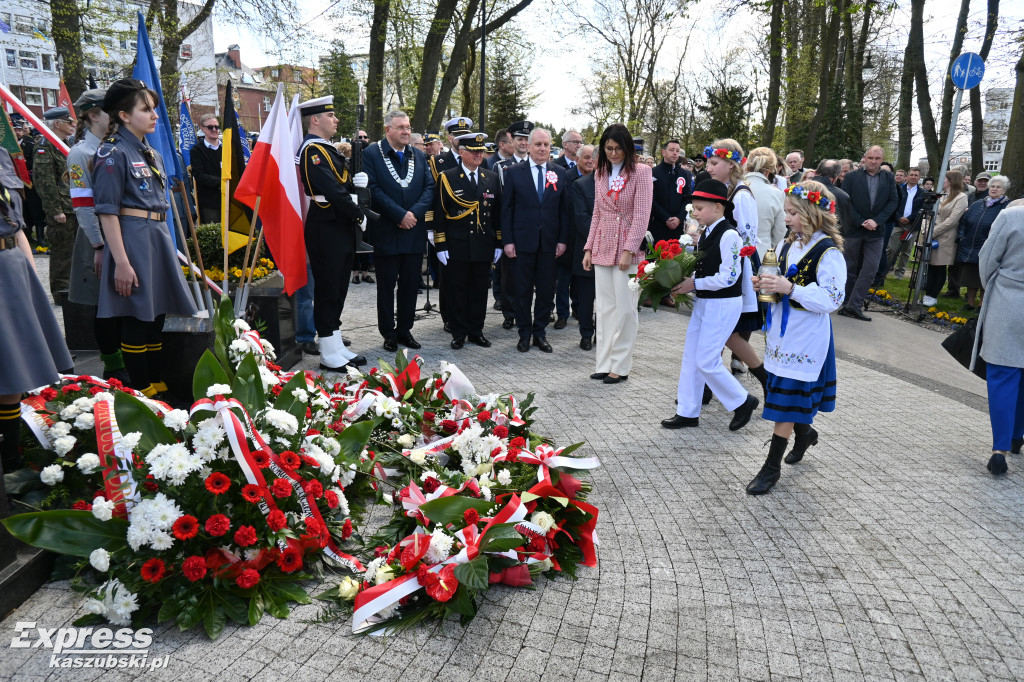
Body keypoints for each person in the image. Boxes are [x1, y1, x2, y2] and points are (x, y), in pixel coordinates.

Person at [91, 79, 198, 398]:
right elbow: (107, 212)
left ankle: (157, 381)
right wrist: (121, 262)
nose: (154, 115)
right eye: (145, 108)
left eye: (154, 108)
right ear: (124, 115)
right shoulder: (112, 153)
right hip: (133, 240)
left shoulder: (150, 152)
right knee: (137, 316)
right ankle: (141, 390)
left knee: (156, 316)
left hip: (157, 236)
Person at [745, 181, 846, 495]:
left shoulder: (828, 252)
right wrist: (765, 283)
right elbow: (783, 283)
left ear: (812, 213)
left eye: (792, 212)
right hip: (781, 335)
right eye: (786, 212)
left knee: (786, 399)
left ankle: (771, 467)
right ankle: (804, 434)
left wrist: (790, 289)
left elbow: (832, 299)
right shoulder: (789, 245)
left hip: (806, 338)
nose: (786, 217)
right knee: (784, 394)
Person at [661, 179, 759, 431]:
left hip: (724, 304)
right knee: (692, 357)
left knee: (706, 360)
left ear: (718, 207)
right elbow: (707, 269)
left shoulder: (729, 234)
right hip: (706, 302)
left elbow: (730, 276)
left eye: (700, 208)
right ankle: (687, 411)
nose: (695, 213)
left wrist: (694, 283)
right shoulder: (708, 232)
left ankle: (742, 401)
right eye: (694, 207)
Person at [0, 183, 75, 473]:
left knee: (15, 374)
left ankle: (10, 461)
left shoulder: (3, 159)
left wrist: (30, 280)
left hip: (13, 268)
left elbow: (17, 227)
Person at [297, 95, 368, 371]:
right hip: (326, 223)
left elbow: (342, 183)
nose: (336, 120)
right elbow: (333, 189)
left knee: (338, 287)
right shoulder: (312, 151)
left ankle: (336, 344)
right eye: (330, 116)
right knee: (328, 288)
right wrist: (357, 212)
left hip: (338, 223)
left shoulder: (327, 149)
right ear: (315, 120)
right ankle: (327, 351)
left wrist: (358, 181)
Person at [65, 88, 127, 383]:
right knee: (103, 305)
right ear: (92, 115)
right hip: (97, 239)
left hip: (120, 235)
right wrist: (98, 245)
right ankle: (113, 366)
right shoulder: (80, 153)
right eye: (109, 111)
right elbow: (83, 205)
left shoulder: (115, 147)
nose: (115, 117)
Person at [581, 124, 652, 383]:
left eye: (617, 148)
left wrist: (629, 249)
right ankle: (604, 362)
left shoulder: (642, 172)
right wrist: (588, 247)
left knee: (625, 309)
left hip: (627, 245)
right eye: (608, 149)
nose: (612, 153)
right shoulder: (600, 173)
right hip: (602, 244)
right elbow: (597, 214)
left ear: (627, 148)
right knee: (605, 308)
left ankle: (620, 366)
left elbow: (642, 215)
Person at [364, 109, 434, 352]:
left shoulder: (418, 155)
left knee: (410, 284)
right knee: (386, 286)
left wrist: (412, 214)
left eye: (408, 126)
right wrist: (399, 215)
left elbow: (429, 188)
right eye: (401, 127)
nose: (406, 131)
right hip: (387, 230)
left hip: (413, 230)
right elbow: (372, 188)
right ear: (388, 130)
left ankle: (405, 330)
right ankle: (389, 333)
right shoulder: (372, 153)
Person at [703, 139, 767, 388]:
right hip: (718, 267)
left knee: (727, 332)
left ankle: (762, 377)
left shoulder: (741, 194)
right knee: (718, 330)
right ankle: (708, 383)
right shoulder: (722, 189)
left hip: (737, 269)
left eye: (714, 163)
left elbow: (747, 239)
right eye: (709, 162)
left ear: (731, 164)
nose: (709, 167)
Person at [500, 127, 569, 353]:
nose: (542, 148)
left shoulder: (559, 173)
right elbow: (507, 210)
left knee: (547, 291)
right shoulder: (513, 172)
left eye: (546, 145)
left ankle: (540, 333)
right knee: (522, 291)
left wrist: (562, 240)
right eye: (538, 144)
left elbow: (563, 211)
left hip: (549, 244)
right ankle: (524, 333)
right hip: (522, 243)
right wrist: (507, 241)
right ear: (528, 146)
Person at [432, 132, 501, 349]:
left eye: (481, 151)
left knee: (480, 290)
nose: (479, 154)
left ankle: (476, 331)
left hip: (483, 243)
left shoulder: (490, 177)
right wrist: (440, 244)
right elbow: (440, 212)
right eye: (474, 151)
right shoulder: (447, 177)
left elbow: (497, 213)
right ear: (462, 152)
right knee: (457, 290)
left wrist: (499, 241)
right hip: (457, 243)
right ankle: (458, 332)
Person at [972, 206, 1024, 475]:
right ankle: (1017, 435)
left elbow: (988, 258)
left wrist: (992, 286)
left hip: (1009, 300)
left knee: (1003, 374)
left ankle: (1000, 449)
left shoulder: (1012, 216)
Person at [837, 145, 898, 321]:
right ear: (865, 158)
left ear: (882, 159)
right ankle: (846, 302)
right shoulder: (851, 177)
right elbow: (845, 202)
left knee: (870, 268)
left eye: (877, 159)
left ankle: (854, 305)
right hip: (854, 230)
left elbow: (893, 202)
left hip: (876, 232)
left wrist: (877, 221)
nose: (873, 161)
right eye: (870, 158)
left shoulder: (888, 177)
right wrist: (861, 221)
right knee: (849, 268)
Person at [34, 107, 78, 304]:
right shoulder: (45, 145)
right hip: (61, 209)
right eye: (69, 122)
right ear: (57, 124)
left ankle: (73, 290)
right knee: (62, 253)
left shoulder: (65, 144)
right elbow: (45, 182)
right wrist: (55, 210)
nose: (73, 125)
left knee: (74, 251)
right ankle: (61, 294)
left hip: (72, 206)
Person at [493, 120, 533, 330]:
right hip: (511, 228)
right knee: (509, 275)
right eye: (519, 139)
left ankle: (526, 311)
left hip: (532, 229)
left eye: (527, 139)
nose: (523, 142)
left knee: (530, 275)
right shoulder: (501, 167)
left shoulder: (541, 166)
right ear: (512, 141)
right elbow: (501, 203)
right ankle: (509, 313)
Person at [955, 175, 1011, 311]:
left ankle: (982, 305)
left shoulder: (1007, 207)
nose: (994, 189)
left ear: (1004, 190)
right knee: (971, 276)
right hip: (971, 245)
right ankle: (970, 303)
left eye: (998, 187)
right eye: (992, 186)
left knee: (986, 278)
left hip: (990, 247)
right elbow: (963, 221)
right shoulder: (977, 204)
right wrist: (961, 237)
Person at [922, 170, 968, 306]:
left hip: (945, 237)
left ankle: (933, 295)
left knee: (939, 266)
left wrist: (932, 232)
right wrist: (926, 229)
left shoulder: (961, 198)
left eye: (945, 179)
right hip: (931, 233)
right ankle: (927, 294)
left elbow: (952, 220)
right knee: (930, 265)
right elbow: (928, 213)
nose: (942, 181)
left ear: (951, 181)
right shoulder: (940, 196)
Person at [570, 144, 597, 351]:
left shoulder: (617, 185)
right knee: (586, 298)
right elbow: (581, 219)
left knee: (608, 300)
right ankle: (586, 334)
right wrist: (603, 237)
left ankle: (604, 334)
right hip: (588, 249)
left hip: (612, 253)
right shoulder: (581, 185)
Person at [743, 147, 785, 259]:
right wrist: (769, 243)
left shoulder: (734, 187)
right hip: (762, 252)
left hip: (732, 251)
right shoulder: (777, 193)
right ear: (770, 170)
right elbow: (780, 229)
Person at [649, 139, 693, 250]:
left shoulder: (685, 174)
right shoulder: (653, 172)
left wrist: (679, 218)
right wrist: (666, 218)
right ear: (663, 152)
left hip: (677, 226)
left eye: (677, 151)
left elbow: (687, 199)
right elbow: (650, 199)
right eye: (672, 150)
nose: (675, 153)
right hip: (659, 224)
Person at [886, 167, 924, 279]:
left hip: (912, 226)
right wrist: (899, 218)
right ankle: (885, 269)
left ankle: (899, 273)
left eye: (916, 175)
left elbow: (921, 209)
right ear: (907, 177)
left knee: (906, 251)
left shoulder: (922, 193)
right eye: (911, 174)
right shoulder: (898, 190)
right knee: (890, 248)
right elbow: (893, 205)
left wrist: (910, 218)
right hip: (897, 224)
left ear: (919, 177)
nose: (913, 177)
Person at [189, 113, 222, 224]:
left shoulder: (228, 148)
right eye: (210, 127)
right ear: (202, 129)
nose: (214, 129)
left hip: (231, 201)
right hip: (210, 202)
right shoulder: (197, 151)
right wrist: (221, 182)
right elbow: (199, 175)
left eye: (216, 127)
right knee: (214, 237)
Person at [814, 159, 853, 238]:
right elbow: (844, 226)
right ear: (835, 178)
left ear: (815, 173)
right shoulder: (842, 196)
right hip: (829, 242)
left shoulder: (797, 190)